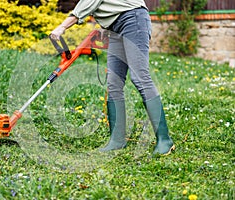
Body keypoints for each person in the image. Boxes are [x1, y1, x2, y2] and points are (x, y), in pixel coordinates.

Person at [50, 0, 175, 155]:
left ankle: (164, 139)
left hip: (132, 19)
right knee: (114, 82)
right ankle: (117, 140)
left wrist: (63, 26)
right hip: (114, 28)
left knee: (140, 78)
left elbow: (89, 3)